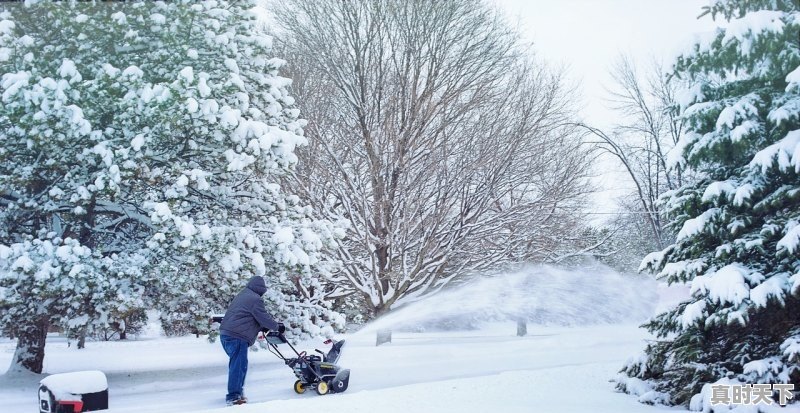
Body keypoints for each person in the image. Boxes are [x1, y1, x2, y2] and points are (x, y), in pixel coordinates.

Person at [219, 275, 285, 406]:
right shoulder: (254, 299)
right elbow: (263, 317)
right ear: (260, 289)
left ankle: (237, 393)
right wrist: (277, 326)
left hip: (226, 334)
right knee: (238, 367)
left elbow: (246, 317)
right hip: (236, 336)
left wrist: (262, 326)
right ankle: (233, 396)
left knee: (238, 366)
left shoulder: (243, 295)